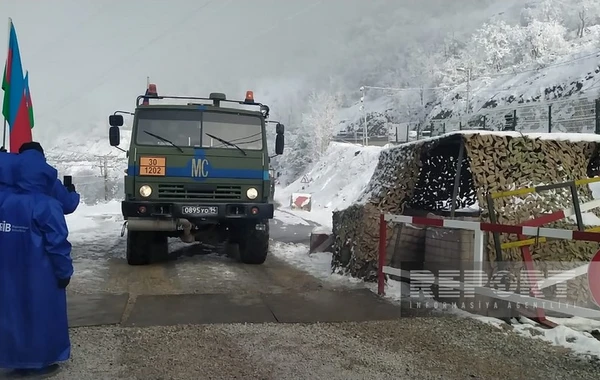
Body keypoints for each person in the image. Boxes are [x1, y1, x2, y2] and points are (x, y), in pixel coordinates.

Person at [0, 141, 73, 377]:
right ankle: (39, 363)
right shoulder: (47, 205)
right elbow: (58, 244)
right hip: (40, 272)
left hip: (7, 269)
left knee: (11, 313)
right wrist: (64, 272)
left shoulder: (4, 200)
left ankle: (13, 358)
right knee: (40, 314)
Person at [18, 142, 81, 215]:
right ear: (42, 156)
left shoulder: (7, 176)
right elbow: (68, 205)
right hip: (39, 224)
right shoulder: (49, 180)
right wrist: (72, 192)